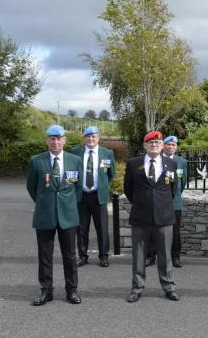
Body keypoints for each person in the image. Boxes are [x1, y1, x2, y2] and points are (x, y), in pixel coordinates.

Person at [26, 125, 83, 306]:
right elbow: (32, 187)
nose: (55, 142)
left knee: (70, 255)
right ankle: (46, 291)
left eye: (59, 138)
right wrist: (45, 202)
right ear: (47, 140)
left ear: (64, 140)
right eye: (52, 138)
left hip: (68, 215)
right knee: (45, 255)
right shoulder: (37, 161)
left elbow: (79, 188)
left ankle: (72, 290)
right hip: (45, 215)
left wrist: (68, 203)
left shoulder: (75, 160)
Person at [124, 130, 180, 302]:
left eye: (157, 142)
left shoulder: (171, 164)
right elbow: (128, 190)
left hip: (164, 217)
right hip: (141, 217)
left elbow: (172, 190)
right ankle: (137, 287)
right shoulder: (133, 164)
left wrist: (159, 204)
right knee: (139, 255)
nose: (154, 145)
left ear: (162, 145)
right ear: (144, 145)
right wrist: (144, 204)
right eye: (150, 142)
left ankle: (169, 287)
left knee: (165, 255)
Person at [72, 125, 116, 268]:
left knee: (102, 228)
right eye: (88, 136)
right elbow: (71, 174)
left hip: (99, 196)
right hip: (81, 196)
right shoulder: (75, 152)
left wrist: (102, 186)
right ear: (84, 138)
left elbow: (110, 174)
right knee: (81, 228)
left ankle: (104, 256)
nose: (91, 139)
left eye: (93, 136)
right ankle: (83, 256)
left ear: (98, 138)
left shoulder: (107, 153)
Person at [157, 135, 188, 268]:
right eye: (168, 144)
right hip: (158, 201)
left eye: (173, 145)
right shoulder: (157, 159)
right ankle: (151, 255)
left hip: (174, 201)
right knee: (155, 229)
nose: (171, 147)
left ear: (176, 147)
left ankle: (176, 256)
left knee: (175, 230)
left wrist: (175, 195)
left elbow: (183, 180)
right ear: (163, 145)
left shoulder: (181, 161)